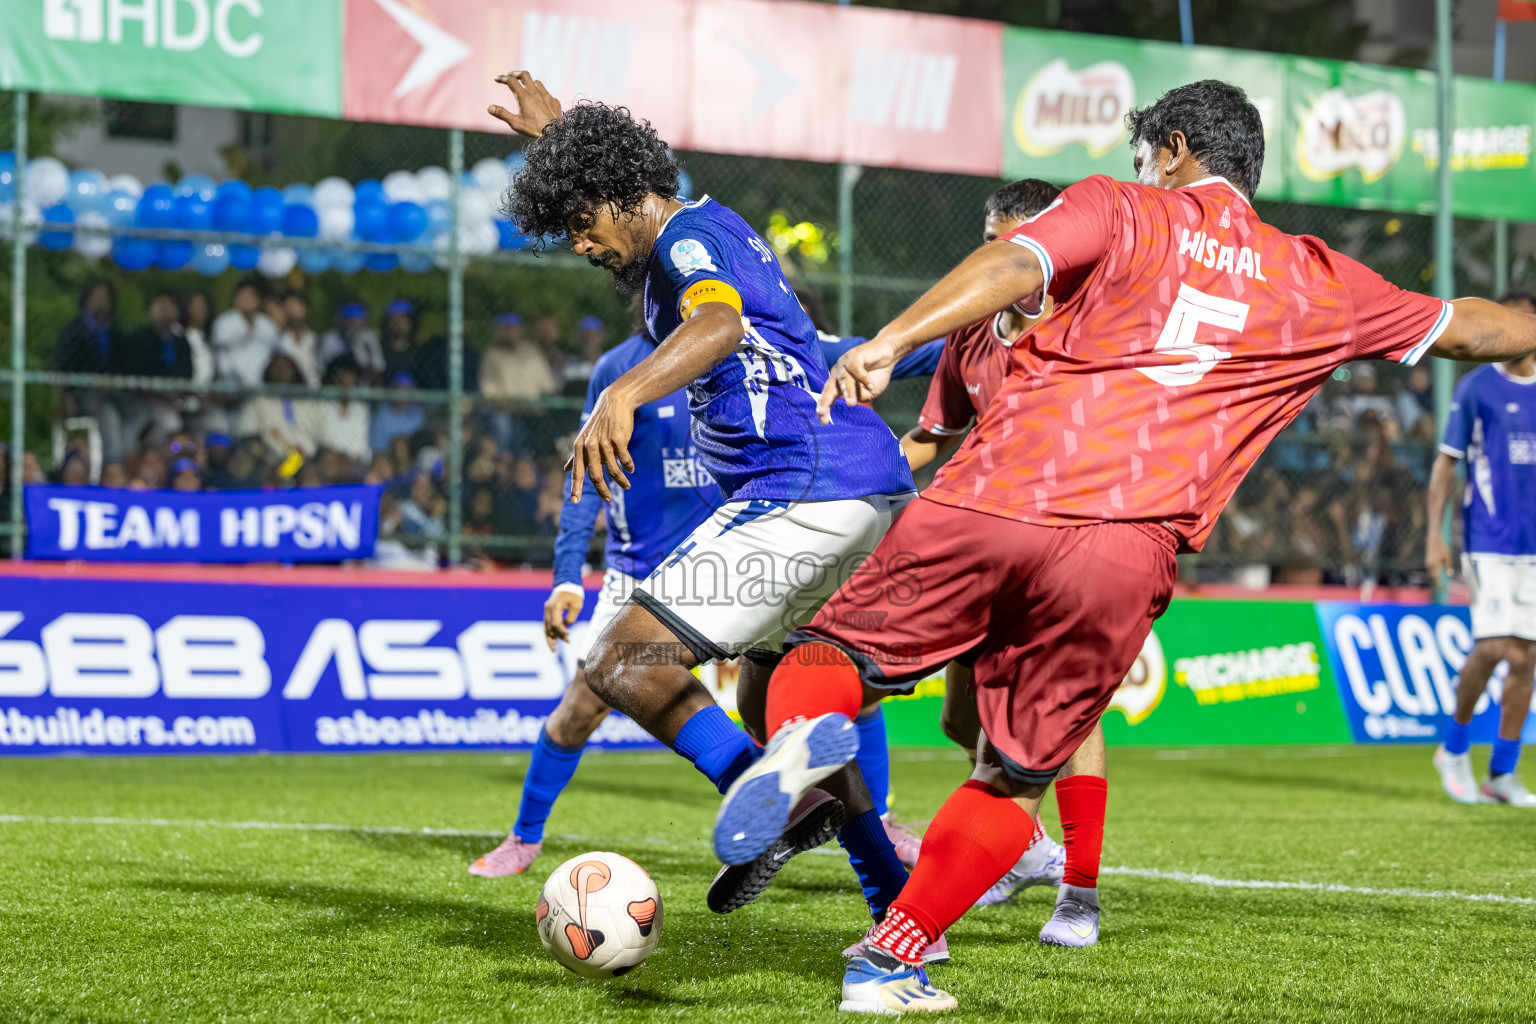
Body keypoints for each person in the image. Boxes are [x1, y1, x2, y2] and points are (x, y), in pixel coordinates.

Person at [711, 79, 1536, 1014]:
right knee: (1012, 774)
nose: (1142, 162)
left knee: (829, 656)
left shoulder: (1119, 205)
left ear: (1174, 148)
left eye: (1148, 149)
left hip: (997, 491)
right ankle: (888, 961)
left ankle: (792, 747)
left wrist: (891, 338)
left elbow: (1016, 264)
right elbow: (1475, 327)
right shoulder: (1320, 278)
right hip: (1122, 548)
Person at [489, 75, 927, 948]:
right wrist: (558, 139)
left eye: (583, 223)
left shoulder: (686, 244)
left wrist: (623, 393)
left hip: (803, 487)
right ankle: (901, 913)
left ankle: (773, 791)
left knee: (621, 661)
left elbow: (718, 326)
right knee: (779, 712)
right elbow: (616, 182)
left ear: (619, 195)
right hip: (861, 492)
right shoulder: (699, 224)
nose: (579, 244)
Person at [893, 179, 1105, 926]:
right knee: (961, 719)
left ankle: (1079, 893)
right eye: (994, 244)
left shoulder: (1097, 323)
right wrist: (858, 478)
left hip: (1074, 539)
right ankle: (1026, 847)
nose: (1002, 259)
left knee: (1072, 716)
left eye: (1015, 246)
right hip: (983, 538)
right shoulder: (971, 331)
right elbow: (931, 437)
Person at [1428, 291, 1536, 808]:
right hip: (1489, 540)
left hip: (1534, 545)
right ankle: (1452, 748)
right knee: (1494, 647)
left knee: (1527, 657)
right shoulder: (1476, 388)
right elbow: (1447, 463)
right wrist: (1435, 535)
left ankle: (1502, 772)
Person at [54, 280, 129, 464]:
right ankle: (114, 466)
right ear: (86, 300)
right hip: (84, 392)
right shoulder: (74, 332)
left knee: (139, 411)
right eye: (97, 297)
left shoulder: (114, 331)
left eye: (105, 298)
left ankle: (131, 460)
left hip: (115, 390)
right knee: (109, 415)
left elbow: (125, 363)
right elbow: (65, 368)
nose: (101, 302)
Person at [480, 313, 557, 453]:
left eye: (514, 328)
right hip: (507, 412)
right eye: (506, 328)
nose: (511, 332)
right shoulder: (492, 355)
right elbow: (489, 393)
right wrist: (513, 405)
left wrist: (538, 405)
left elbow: (547, 387)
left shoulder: (532, 352)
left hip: (533, 412)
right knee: (501, 422)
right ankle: (505, 461)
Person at [301, 355, 372, 465]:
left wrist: (345, 458)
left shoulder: (361, 409)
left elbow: (361, 446)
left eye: (349, 381)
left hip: (353, 463)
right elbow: (319, 439)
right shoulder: (323, 406)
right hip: (326, 461)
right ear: (335, 381)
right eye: (342, 381)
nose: (345, 386)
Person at [211, 279, 280, 388]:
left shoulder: (267, 324)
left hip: (261, 386)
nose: (247, 300)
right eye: (243, 296)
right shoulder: (224, 322)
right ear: (236, 299)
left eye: (251, 296)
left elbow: (275, 351)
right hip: (232, 386)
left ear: (258, 300)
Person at [318, 302, 386, 382]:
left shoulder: (369, 338)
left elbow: (378, 370)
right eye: (349, 320)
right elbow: (321, 369)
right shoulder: (330, 338)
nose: (353, 324)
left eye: (357, 321)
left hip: (362, 388)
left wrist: (367, 353)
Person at [370, 373, 426, 455]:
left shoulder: (417, 416)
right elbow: (378, 448)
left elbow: (418, 447)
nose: (403, 393)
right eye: (399, 388)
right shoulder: (382, 414)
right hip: (386, 458)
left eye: (407, 389)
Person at [277, 290, 321, 386]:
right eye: (290, 307)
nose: (294, 311)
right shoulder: (278, 342)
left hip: (315, 395)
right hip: (289, 395)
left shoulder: (316, 340)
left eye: (297, 306)